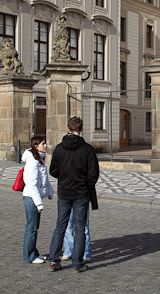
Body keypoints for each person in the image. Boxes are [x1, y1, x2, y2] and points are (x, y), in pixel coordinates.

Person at [46, 116, 99, 273]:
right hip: (81, 193)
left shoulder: (59, 148)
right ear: (81, 130)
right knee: (80, 227)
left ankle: (54, 261)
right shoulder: (88, 149)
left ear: (68, 129)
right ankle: (77, 263)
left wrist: (64, 178)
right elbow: (94, 174)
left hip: (64, 192)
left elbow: (53, 170)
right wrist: (85, 184)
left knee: (60, 226)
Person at [22, 136, 53, 264]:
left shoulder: (39, 159)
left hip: (35, 197)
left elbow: (44, 180)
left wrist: (50, 192)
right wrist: (39, 204)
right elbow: (32, 184)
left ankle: (34, 253)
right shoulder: (33, 162)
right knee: (31, 228)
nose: (45, 146)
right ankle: (29, 256)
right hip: (31, 197)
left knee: (34, 227)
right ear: (36, 146)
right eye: (43, 144)